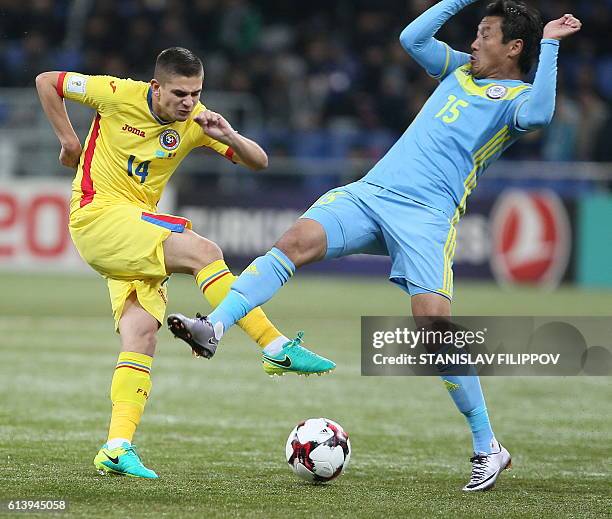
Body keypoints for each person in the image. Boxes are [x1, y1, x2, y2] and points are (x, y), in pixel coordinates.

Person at [170, 1, 581, 491]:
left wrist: (551, 43)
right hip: (372, 193)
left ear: (514, 47)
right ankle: (213, 326)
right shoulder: (458, 69)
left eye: (486, 34)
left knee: (433, 328)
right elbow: (413, 40)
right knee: (295, 240)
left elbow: (541, 113)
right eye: (475, 32)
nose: (474, 41)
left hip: (427, 217)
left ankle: (488, 446)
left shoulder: (515, 99)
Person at [35, 47, 335, 479]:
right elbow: (48, 80)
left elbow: (260, 161)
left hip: (134, 233)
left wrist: (228, 135)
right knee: (204, 251)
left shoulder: (197, 122)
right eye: (179, 93)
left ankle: (116, 447)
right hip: (98, 215)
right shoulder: (117, 92)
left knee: (141, 335)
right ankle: (273, 347)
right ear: (155, 87)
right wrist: (69, 140)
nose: (188, 102)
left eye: (196, 93)